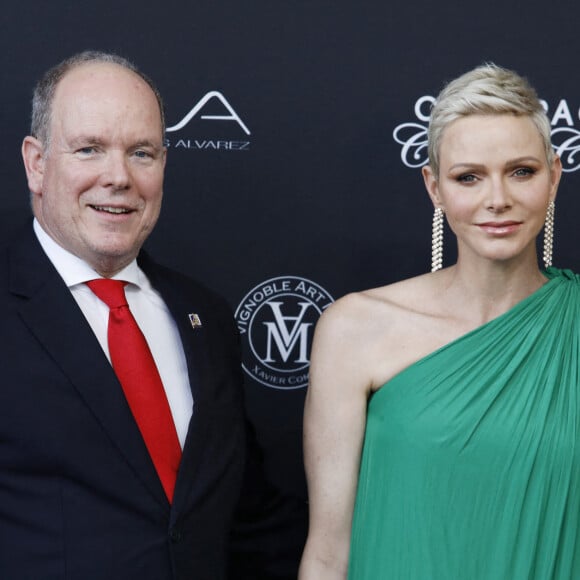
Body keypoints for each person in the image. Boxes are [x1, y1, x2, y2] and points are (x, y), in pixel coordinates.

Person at [0, 51, 305, 580]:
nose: (118, 177)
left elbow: (243, 516)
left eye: (141, 152)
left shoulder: (203, 316)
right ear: (36, 163)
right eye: (89, 149)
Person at [298, 63, 580, 579]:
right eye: (468, 177)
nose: (498, 199)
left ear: (554, 175)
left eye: (521, 171)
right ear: (434, 187)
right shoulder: (355, 329)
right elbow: (327, 553)